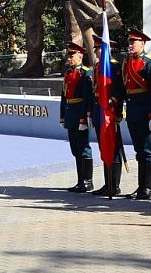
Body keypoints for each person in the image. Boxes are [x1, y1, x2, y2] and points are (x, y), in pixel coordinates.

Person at [123, 28, 151, 200]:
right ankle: (141, 186)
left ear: (143, 44)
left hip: (145, 111)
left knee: (149, 150)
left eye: (134, 42)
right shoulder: (126, 63)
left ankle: (149, 188)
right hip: (132, 110)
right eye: (129, 42)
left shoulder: (149, 63)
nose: (131, 45)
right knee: (139, 150)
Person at [91, 35, 125, 197]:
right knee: (104, 146)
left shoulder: (114, 66)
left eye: (99, 48)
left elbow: (119, 90)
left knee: (114, 148)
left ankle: (114, 185)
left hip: (110, 111)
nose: (96, 51)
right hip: (99, 110)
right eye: (96, 49)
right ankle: (107, 183)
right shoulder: (98, 66)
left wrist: (116, 111)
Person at [60, 42, 95, 192]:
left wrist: (84, 118)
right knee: (75, 148)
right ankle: (80, 181)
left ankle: (88, 181)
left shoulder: (85, 73)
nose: (69, 58)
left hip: (80, 113)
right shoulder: (68, 73)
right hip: (70, 114)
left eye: (72, 55)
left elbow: (87, 98)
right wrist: (63, 116)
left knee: (84, 148)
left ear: (80, 56)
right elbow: (64, 96)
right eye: (68, 55)